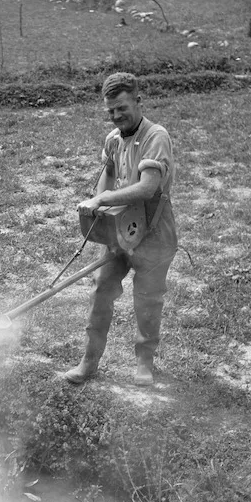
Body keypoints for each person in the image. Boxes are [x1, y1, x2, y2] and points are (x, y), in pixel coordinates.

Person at [65, 72, 178, 386]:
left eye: (122, 109)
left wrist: (102, 198)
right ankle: (89, 360)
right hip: (120, 231)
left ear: (139, 102)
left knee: (148, 298)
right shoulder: (113, 139)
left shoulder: (157, 136)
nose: (116, 116)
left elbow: (147, 187)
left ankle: (144, 362)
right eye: (111, 111)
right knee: (101, 292)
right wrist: (100, 207)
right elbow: (108, 176)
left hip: (154, 232)